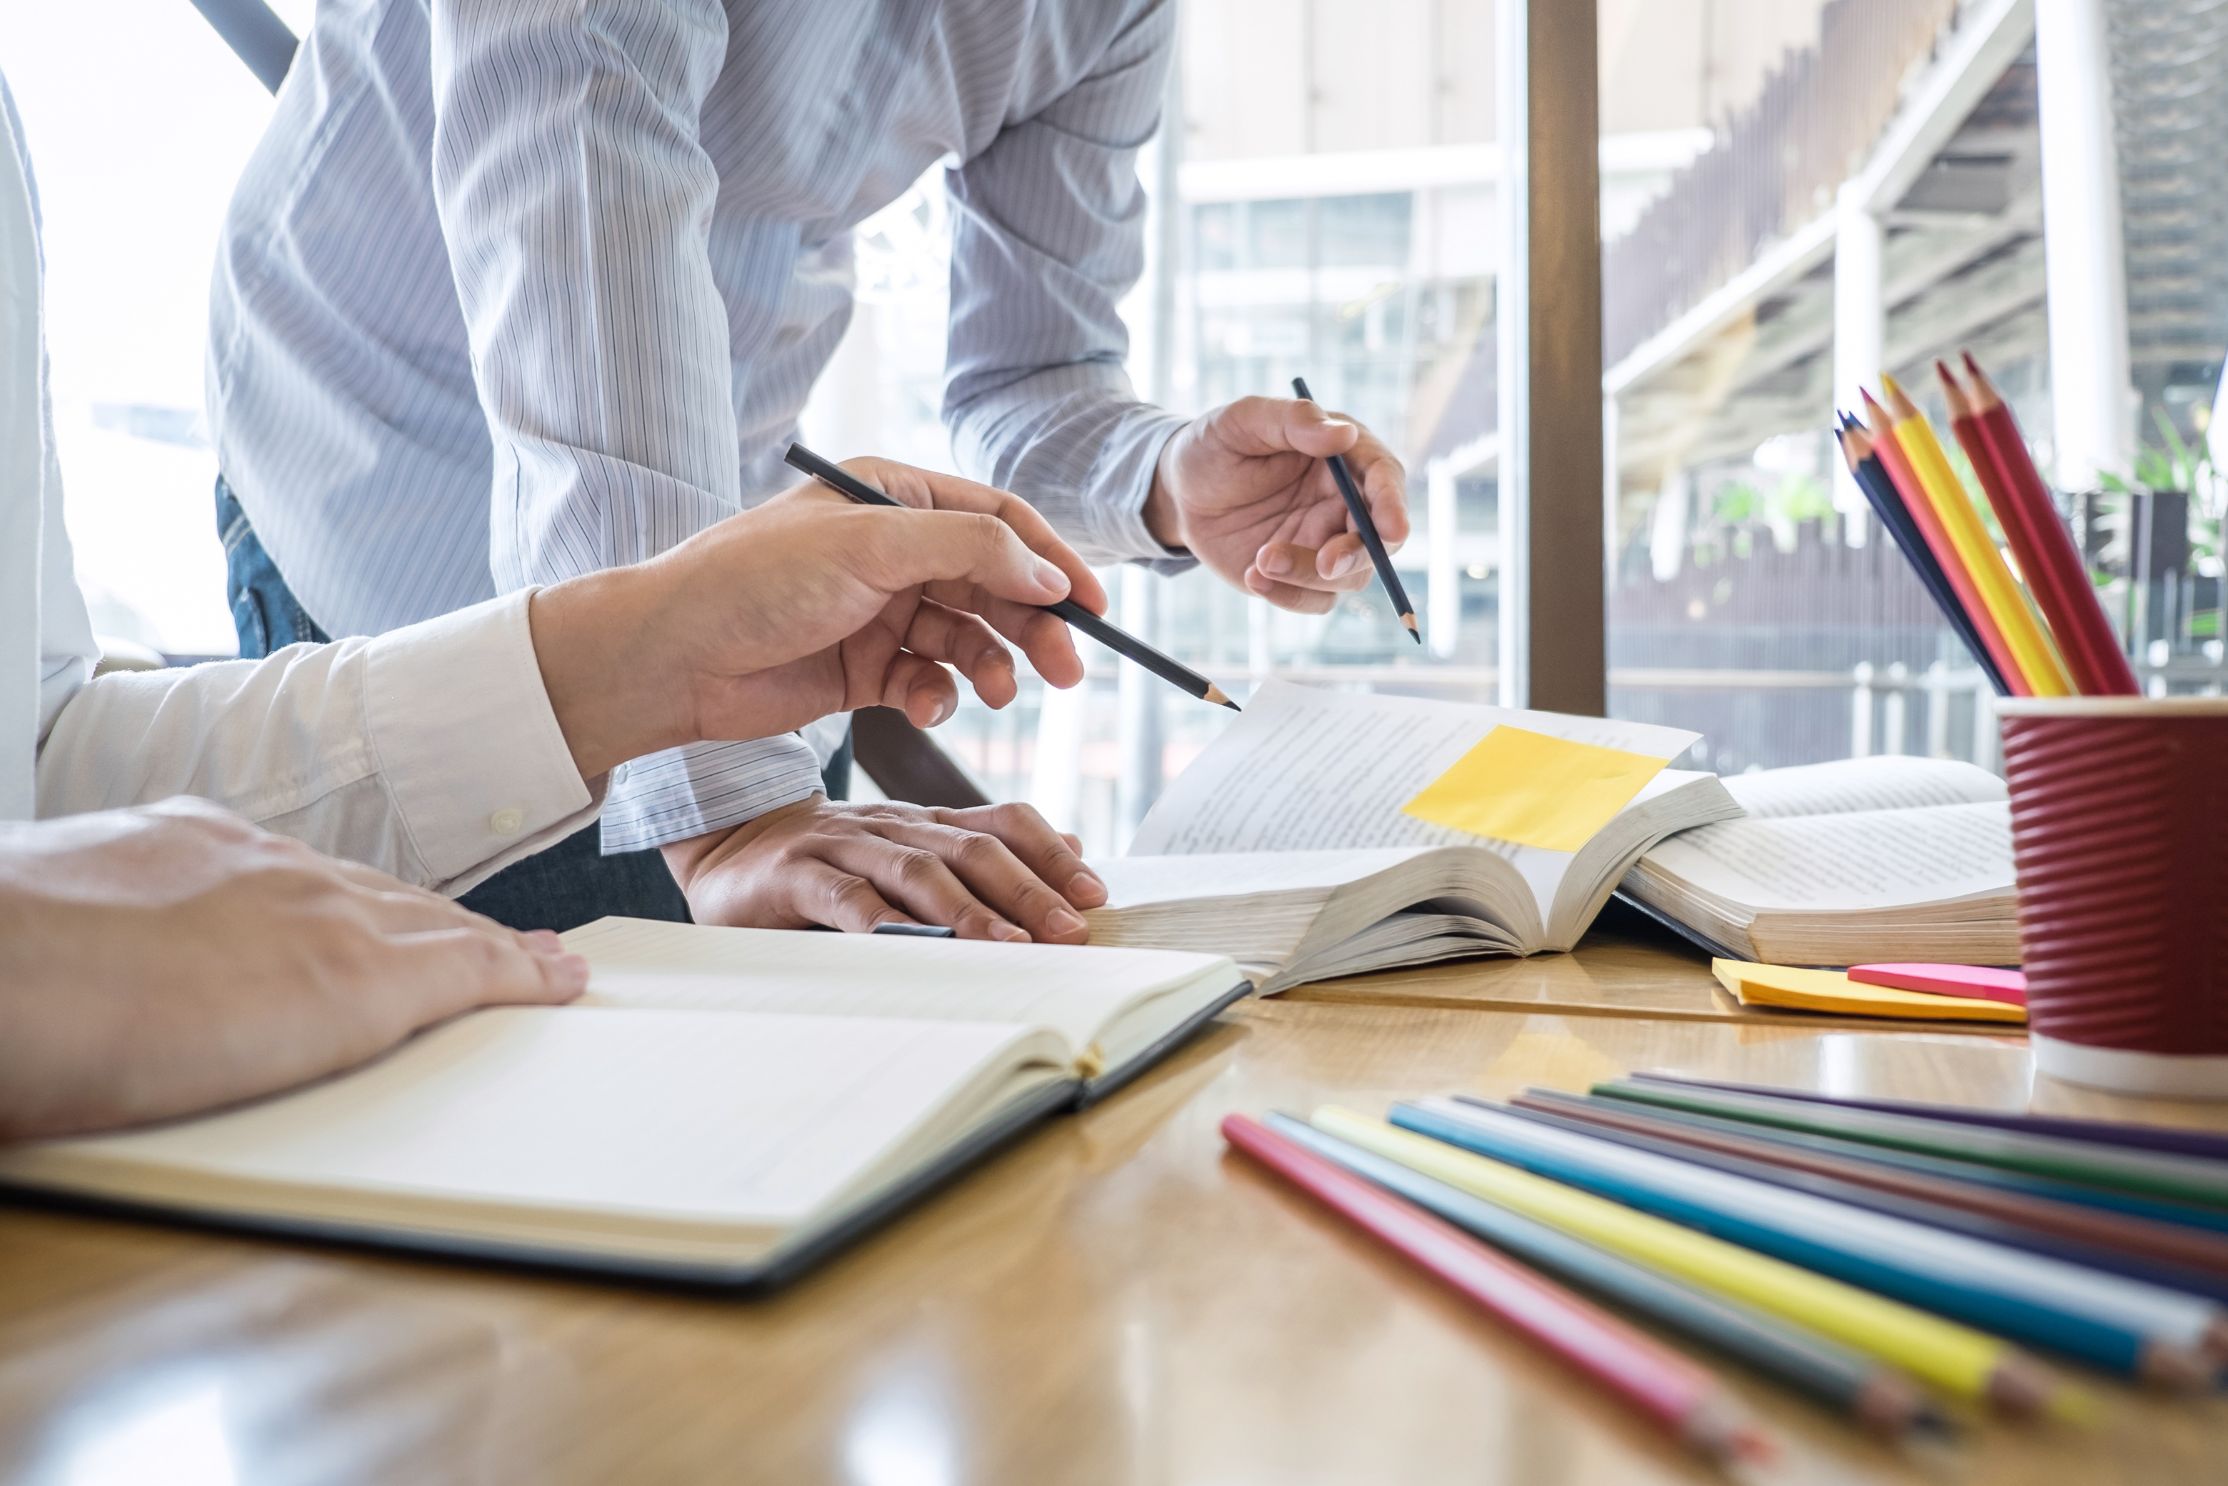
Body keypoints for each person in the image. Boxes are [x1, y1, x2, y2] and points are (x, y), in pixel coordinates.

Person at [0, 72, 1100, 1141]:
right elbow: (578, 140)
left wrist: (661, 655)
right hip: (380, 498)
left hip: (674, 609)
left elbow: (37, 763)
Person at [208, 0, 1412, 936]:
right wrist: (730, 804)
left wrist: (1160, 475)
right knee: (500, 1116)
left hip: (730, 536)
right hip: (385, 470)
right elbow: (578, 170)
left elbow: (1028, 379)